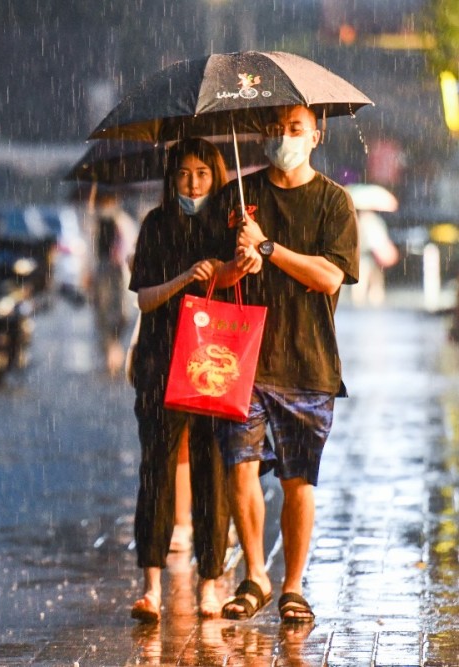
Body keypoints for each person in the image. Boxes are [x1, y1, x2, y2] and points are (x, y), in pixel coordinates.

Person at [209, 105, 359, 624]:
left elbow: (330, 276)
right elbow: (213, 277)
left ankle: (293, 586)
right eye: (275, 128)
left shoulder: (333, 202)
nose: (284, 137)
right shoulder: (238, 198)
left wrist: (269, 247)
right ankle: (255, 575)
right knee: (241, 466)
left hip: (307, 361)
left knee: (298, 479)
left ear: (316, 136)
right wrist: (238, 264)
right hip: (244, 359)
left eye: (296, 128)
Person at [127, 137, 259, 623]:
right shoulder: (155, 225)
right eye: (184, 173)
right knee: (156, 473)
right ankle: (151, 586)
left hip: (214, 366)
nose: (193, 183)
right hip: (160, 365)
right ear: (172, 178)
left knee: (212, 473)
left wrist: (236, 262)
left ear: (217, 176)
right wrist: (184, 278)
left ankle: (210, 581)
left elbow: (239, 281)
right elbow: (144, 298)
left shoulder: (230, 225)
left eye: (202, 173)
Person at [89, 191, 138, 377]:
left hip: (118, 275)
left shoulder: (123, 223)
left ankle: (114, 350)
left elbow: (131, 249)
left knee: (120, 315)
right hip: (102, 274)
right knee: (103, 316)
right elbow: (91, 251)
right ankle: (111, 352)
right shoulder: (96, 223)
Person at [352, 208, 397, 307]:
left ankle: (362, 300)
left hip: (367, 254)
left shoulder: (364, 221)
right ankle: (373, 298)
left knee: (364, 279)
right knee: (371, 279)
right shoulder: (374, 221)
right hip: (371, 254)